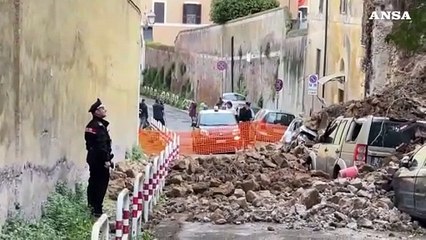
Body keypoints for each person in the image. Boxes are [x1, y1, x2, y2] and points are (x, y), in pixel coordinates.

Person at [85, 98, 114, 218]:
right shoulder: (98, 126)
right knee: (100, 184)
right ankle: (97, 210)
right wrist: (106, 160)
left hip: (93, 158)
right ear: (96, 112)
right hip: (99, 160)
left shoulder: (91, 126)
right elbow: (101, 145)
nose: (104, 110)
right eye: (102, 108)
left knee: (93, 182)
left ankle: (92, 207)